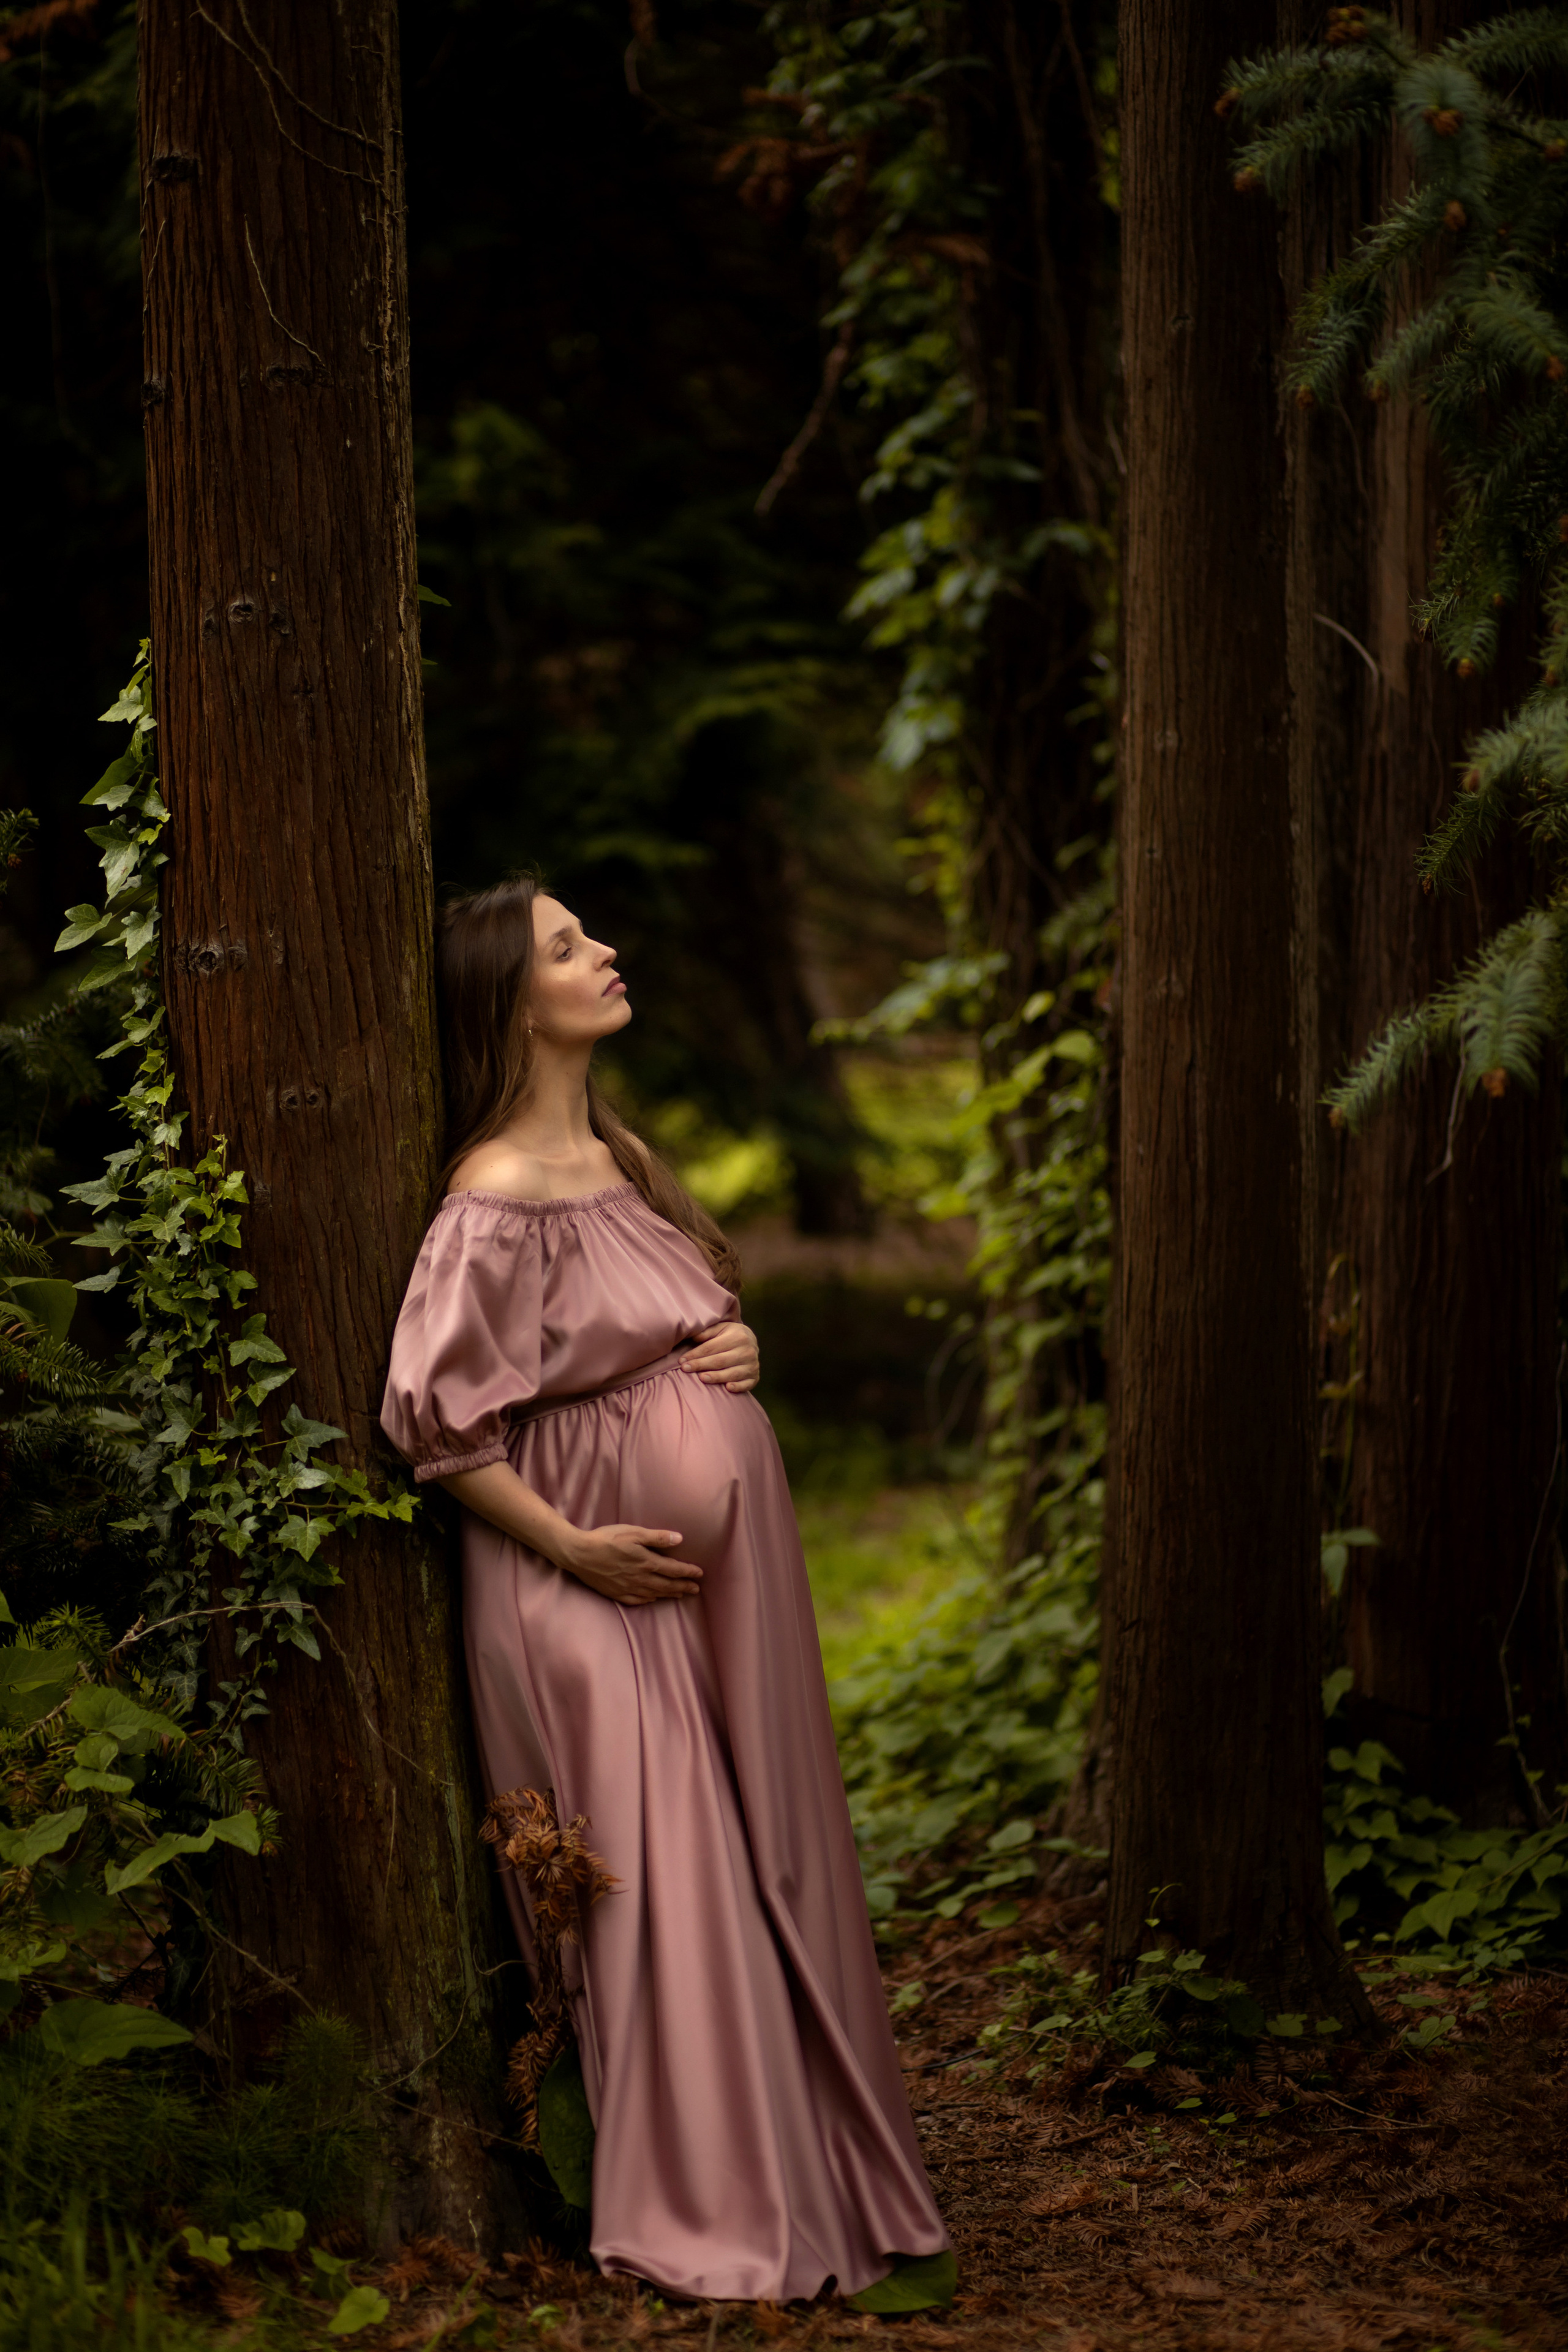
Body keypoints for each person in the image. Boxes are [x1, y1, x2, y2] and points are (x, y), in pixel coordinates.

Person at [380, 876, 949, 2307]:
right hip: (577, 1576)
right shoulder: (489, 1195)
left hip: (697, 1580)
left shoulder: (617, 1154)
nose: (605, 952)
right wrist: (572, 1548)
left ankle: (802, 2156)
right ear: (510, 1001)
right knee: (664, 1872)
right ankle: (702, 2201)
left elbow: (665, 1317)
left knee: (758, 1846)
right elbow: (435, 1428)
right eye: (567, 947)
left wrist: (737, 1339)